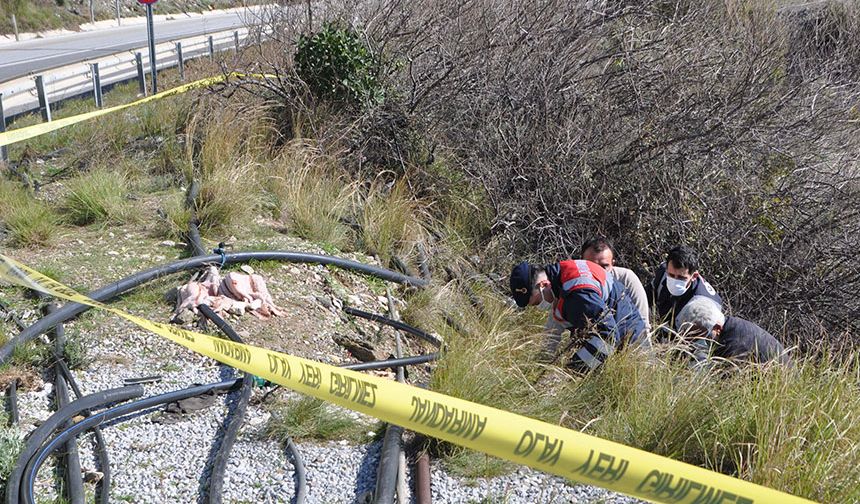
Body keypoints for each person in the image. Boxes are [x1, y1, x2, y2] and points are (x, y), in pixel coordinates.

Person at [509, 259, 647, 371]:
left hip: (630, 341)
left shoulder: (577, 295)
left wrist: (573, 371)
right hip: (619, 332)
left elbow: (608, 337)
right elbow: (551, 336)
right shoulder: (561, 276)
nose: (538, 307)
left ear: (544, 285)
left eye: (536, 302)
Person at [675, 296, 788, 366]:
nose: (694, 341)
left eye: (699, 336)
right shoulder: (731, 328)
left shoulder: (734, 346)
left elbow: (728, 390)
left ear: (717, 329)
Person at [580, 237, 651, 332]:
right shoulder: (571, 283)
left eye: (604, 266)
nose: (598, 271)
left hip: (625, 339)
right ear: (581, 263)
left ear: (612, 263)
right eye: (592, 266)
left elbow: (642, 321)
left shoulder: (626, 278)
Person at [648, 245, 721, 331]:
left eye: (681, 278)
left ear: (694, 276)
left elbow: (699, 338)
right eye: (671, 275)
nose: (675, 281)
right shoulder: (663, 274)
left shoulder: (704, 305)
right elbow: (644, 297)